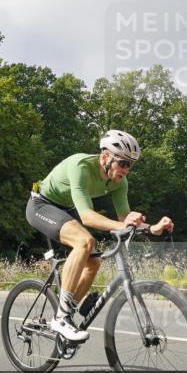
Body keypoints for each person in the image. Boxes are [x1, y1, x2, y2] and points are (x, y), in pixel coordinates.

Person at [26, 130, 174, 342]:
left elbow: (125, 220)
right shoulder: (81, 167)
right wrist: (122, 226)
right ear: (105, 157)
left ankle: (66, 314)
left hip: (65, 209)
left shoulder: (120, 182)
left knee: (93, 262)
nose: (126, 169)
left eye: (130, 165)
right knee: (85, 242)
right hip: (41, 205)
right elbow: (87, 216)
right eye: (123, 163)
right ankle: (60, 319)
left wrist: (153, 228)